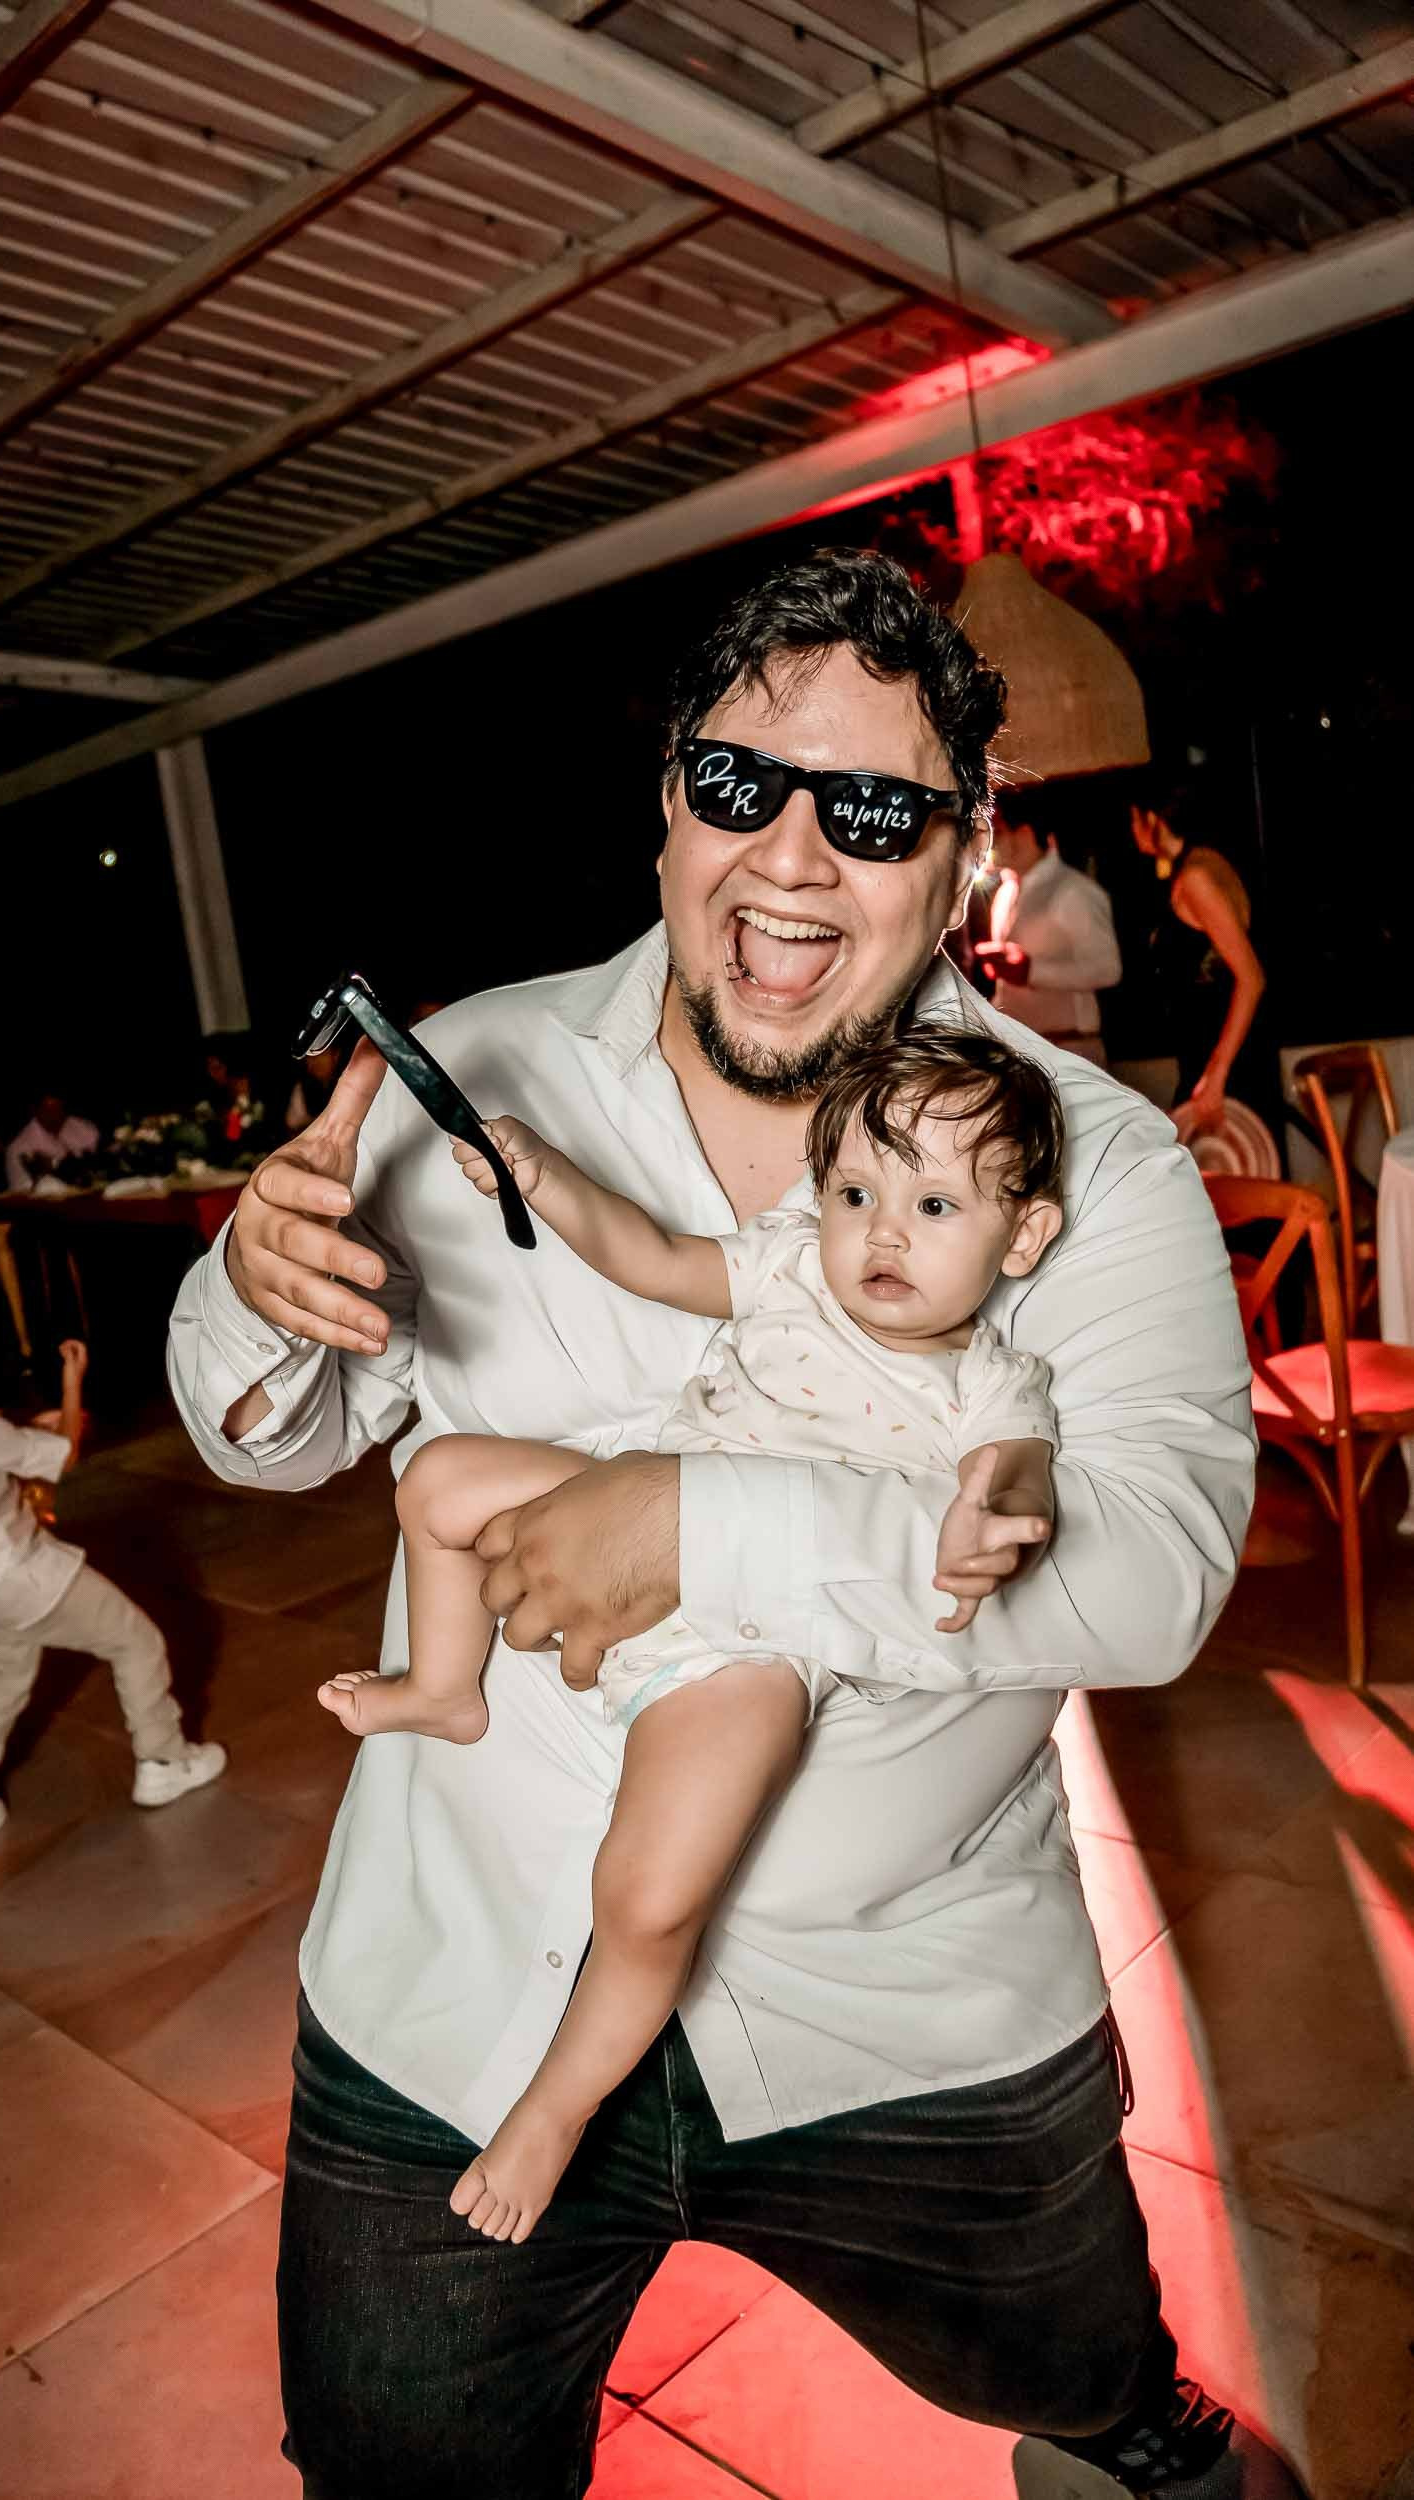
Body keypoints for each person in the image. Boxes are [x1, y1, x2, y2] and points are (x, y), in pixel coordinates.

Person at [169, 551, 1303, 2500]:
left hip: (911, 2003)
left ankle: (1129, 2417)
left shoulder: (1087, 1162)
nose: (787, 855)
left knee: (1081, 2368)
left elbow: (1153, 1573)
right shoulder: (478, 1071)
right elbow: (270, 1433)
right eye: (737, 783)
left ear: (960, 855)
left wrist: (701, 1527)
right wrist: (258, 1290)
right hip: (461, 1991)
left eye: (866, 809)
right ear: (666, 804)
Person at [320, 1030, 1063, 2244]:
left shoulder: (987, 1379)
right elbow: (655, 1257)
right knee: (438, 1476)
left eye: (932, 1205)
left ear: (1020, 1235)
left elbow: (1014, 1465)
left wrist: (998, 1514)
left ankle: (554, 2107)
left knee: (653, 1893)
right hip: (623, 1507)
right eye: (855, 1194)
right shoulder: (793, 1268)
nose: (880, 1235)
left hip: (752, 1643)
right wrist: (546, 1178)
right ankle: (447, 1688)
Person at [0, 1288, 227, 1857]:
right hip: (28, 1579)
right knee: (137, 1643)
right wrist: (72, 1381)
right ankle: (163, 1760)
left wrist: (27, 1428)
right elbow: (63, 1454)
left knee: (1, 1682)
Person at [1130, 798, 1269, 1137]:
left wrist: (1217, 1073)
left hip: (1220, 1059)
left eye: (1134, 819)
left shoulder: (1196, 877)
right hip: (1211, 1054)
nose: (1131, 831)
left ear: (1152, 818)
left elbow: (1251, 978)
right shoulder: (1201, 864)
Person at [976, 785, 1123, 1065]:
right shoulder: (1005, 894)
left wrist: (1031, 971)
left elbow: (1108, 969)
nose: (990, 842)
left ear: (1024, 834)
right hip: (1021, 1055)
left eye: (998, 831)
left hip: (1071, 1051)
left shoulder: (1071, 890)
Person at [5, 1092, 100, 1193]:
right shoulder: (19, 1148)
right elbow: (24, 1192)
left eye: (59, 1109)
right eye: (48, 1110)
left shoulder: (81, 1128)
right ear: (34, 1111)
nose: (56, 1115)